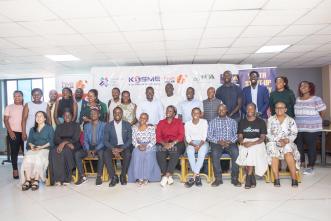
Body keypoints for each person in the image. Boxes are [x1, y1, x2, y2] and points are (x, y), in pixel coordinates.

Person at [294, 81, 326, 175]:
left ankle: (311, 166)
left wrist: (314, 120)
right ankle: (302, 163)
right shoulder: (298, 99)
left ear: (310, 88)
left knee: (311, 147)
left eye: (305, 86)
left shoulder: (316, 99)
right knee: (299, 146)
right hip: (299, 127)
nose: (302, 87)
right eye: (301, 86)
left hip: (312, 128)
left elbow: (322, 111)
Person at [266, 101, 300, 187]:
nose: (279, 109)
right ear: (274, 109)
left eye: (281, 108)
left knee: (288, 150)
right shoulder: (270, 119)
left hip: (287, 142)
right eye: (277, 108)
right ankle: (276, 179)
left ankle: (294, 178)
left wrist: (286, 140)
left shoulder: (291, 120)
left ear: (285, 109)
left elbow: (294, 133)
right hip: (274, 142)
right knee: (273, 150)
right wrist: (278, 141)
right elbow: (268, 133)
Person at [207, 104, 241, 187]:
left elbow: (236, 134)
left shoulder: (232, 121)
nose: (221, 111)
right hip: (217, 143)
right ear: (217, 111)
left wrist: (230, 141)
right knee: (214, 154)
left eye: (223, 109)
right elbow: (209, 136)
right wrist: (218, 141)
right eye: (219, 110)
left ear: (226, 110)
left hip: (230, 143)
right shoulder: (212, 122)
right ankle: (218, 179)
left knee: (236, 153)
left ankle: (235, 179)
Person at [236, 103, 268, 189]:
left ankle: (248, 178)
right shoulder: (242, 122)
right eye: (248, 109)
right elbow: (240, 136)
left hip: (258, 143)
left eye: (252, 109)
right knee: (248, 152)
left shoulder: (261, 122)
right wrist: (242, 143)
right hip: (245, 142)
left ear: (255, 110)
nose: (249, 110)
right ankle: (251, 177)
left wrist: (252, 143)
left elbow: (262, 138)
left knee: (251, 151)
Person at [21, 111, 54, 191]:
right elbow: (29, 141)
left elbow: (52, 141)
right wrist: (32, 146)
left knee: (38, 157)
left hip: (45, 149)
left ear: (45, 118)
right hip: (35, 149)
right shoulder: (32, 129)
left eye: (41, 116)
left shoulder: (49, 128)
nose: (38, 118)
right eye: (37, 116)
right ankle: (28, 180)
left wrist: (41, 147)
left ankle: (36, 180)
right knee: (28, 156)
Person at [75, 108, 106, 186]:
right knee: (77, 154)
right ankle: (82, 176)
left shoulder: (104, 125)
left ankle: (99, 176)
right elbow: (85, 140)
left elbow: (104, 140)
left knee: (102, 154)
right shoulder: (86, 126)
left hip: (100, 147)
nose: (93, 115)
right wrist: (88, 150)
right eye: (91, 113)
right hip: (89, 147)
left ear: (99, 115)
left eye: (95, 113)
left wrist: (96, 149)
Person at [128, 113, 161, 186]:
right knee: (137, 153)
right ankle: (139, 178)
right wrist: (138, 145)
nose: (142, 119)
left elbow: (153, 140)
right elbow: (133, 140)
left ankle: (147, 177)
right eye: (141, 118)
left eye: (144, 118)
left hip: (149, 145)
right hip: (138, 145)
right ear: (139, 119)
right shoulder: (134, 128)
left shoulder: (151, 128)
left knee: (148, 154)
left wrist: (147, 146)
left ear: (147, 120)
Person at [49, 110, 81, 185]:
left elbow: (76, 138)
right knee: (54, 151)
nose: (67, 116)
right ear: (63, 117)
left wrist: (64, 143)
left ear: (72, 116)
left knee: (65, 151)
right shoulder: (59, 126)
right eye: (65, 115)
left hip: (73, 145)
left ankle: (67, 178)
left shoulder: (76, 125)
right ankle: (58, 178)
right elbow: (56, 139)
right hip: (61, 145)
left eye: (69, 115)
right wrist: (62, 144)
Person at [156, 105, 185, 187]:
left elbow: (181, 135)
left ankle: (166, 175)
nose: (168, 112)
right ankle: (168, 176)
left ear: (174, 113)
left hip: (177, 142)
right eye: (167, 110)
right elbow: (158, 136)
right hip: (164, 143)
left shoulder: (179, 122)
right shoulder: (161, 122)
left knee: (175, 152)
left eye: (170, 111)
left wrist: (172, 143)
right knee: (159, 152)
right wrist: (165, 144)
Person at [103, 107, 133, 187]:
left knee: (128, 154)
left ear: (122, 114)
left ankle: (123, 175)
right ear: (113, 114)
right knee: (105, 154)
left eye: (119, 112)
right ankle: (113, 176)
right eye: (115, 112)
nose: (117, 114)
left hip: (123, 147)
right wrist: (113, 148)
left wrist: (121, 148)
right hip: (112, 147)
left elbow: (130, 140)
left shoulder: (127, 125)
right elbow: (105, 140)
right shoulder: (108, 125)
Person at [184, 107, 209, 188]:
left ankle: (193, 176)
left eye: (197, 113)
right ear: (191, 114)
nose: (195, 114)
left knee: (202, 151)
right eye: (194, 113)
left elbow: (204, 136)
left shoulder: (204, 122)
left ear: (200, 114)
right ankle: (197, 176)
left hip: (203, 142)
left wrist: (199, 145)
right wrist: (194, 145)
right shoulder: (187, 123)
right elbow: (187, 137)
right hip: (192, 143)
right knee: (189, 151)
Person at [4, 90, 24, 179]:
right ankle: (15, 170)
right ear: (13, 97)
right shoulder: (9, 107)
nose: (17, 98)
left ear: (22, 97)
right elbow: (5, 120)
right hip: (13, 132)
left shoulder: (25, 107)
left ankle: (26, 170)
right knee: (14, 152)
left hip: (24, 132)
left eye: (19, 96)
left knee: (26, 152)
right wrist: (10, 132)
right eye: (15, 96)